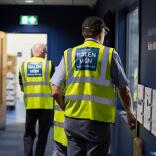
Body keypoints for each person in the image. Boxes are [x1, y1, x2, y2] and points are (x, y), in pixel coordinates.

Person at [50, 16, 136, 156]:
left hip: (72, 120)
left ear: (84, 33)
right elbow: (124, 90)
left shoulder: (69, 54)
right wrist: (130, 113)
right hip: (98, 122)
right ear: (101, 32)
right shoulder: (109, 54)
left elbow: (55, 92)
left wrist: (67, 110)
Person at [19, 43, 54, 156]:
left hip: (30, 105)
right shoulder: (49, 65)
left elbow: (22, 85)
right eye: (46, 52)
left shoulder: (23, 65)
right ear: (43, 52)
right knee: (43, 135)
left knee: (28, 134)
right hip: (46, 106)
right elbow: (55, 85)